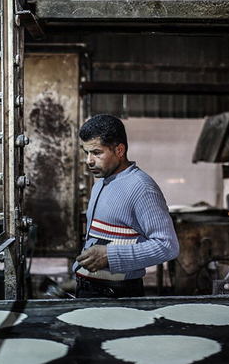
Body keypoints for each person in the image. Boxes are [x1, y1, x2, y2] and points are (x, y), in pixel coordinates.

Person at [73, 114, 179, 298]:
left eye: (97, 153)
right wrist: (78, 273)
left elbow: (167, 246)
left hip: (118, 295)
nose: (89, 160)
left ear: (119, 150)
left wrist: (110, 255)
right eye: (86, 153)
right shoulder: (100, 184)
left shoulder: (142, 187)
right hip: (90, 290)